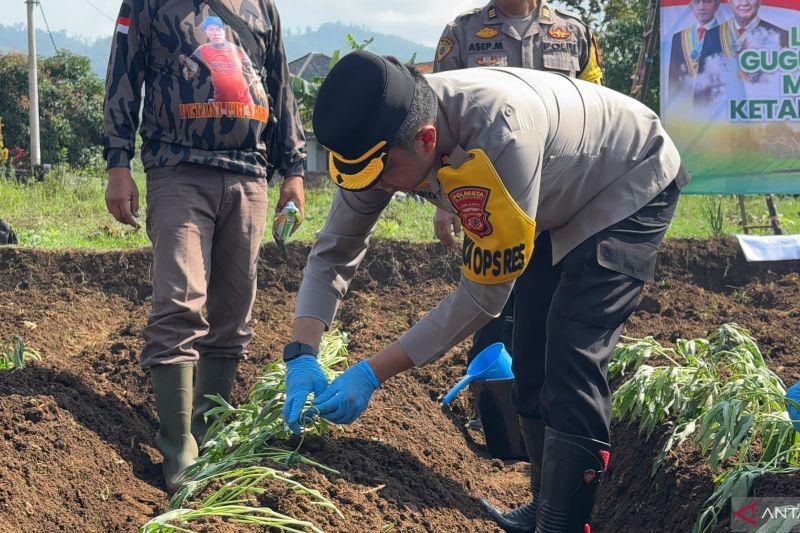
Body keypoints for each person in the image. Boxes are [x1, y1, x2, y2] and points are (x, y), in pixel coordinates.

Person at [281, 51, 689, 533]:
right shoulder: (382, 139)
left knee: (572, 349)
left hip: (627, 179)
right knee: (531, 346)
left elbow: (482, 298)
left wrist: (372, 373)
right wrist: (301, 353)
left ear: (426, 140)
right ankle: (544, 502)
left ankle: (565, 523)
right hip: (551, 197)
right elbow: (334, 250)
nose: (375, 190)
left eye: (383, 175)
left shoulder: (499, 138)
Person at [102, 0, 306, 492]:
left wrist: (295, 170)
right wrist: (117, 163)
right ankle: (178, 448)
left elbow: (279, 84)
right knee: (179, 302)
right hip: (178, 167)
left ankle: (208, 434)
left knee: (234, 314)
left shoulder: (262, 7)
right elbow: (123, 74)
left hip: (249, 173)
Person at [432, 2, 604, 530]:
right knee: (501, 331)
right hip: (495, 210)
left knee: (561, 346)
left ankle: (561, 501)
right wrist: (445, 206)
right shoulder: (462, 33)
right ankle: (511, 450)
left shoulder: (573, 31)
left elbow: (596, 109)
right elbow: (434, 123)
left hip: (566, 211)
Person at [667, 0, 722, 103]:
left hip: (717, 107)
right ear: (691, 5)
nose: (701, 7)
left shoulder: (727, 37)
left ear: (717, 5)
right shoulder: (679, 38)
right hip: (685, 109)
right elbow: (673, 80)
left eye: (707, 2)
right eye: (697, 2)